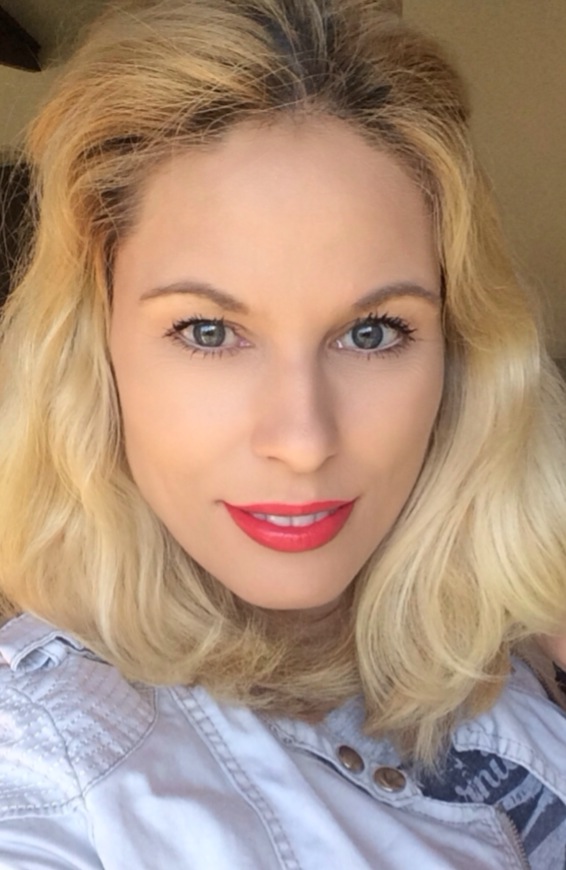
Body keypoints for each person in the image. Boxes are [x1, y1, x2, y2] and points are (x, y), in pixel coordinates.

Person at [0, 0, 565, 866]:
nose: (302, 440)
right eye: (208, 331)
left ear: (458, 354)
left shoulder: (503, 631)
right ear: (94, 351)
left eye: (371, 332)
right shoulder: (47, 771)